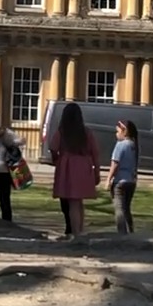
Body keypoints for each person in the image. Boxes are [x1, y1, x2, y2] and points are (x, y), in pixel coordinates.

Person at [48, 102, 100, 237]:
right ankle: (80, 230)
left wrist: (57, 159)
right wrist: (96, 172)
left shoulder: (62, 132)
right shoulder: (86, 132)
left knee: (72, 202)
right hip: (84, 165)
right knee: (79, 201)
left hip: (68, 166)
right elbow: (95, 153)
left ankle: (76, 232)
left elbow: (53, 147)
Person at [106, 119, 139, 234]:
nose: (116, 134)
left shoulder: (120, 145)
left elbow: (115, 163)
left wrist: (108, 179)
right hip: (131, 181)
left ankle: (122, 234)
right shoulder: (133, 145)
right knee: (126, 209)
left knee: (119, 209)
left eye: (118, 131)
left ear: (124, 132)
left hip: (120, 181)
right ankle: (131, 231)